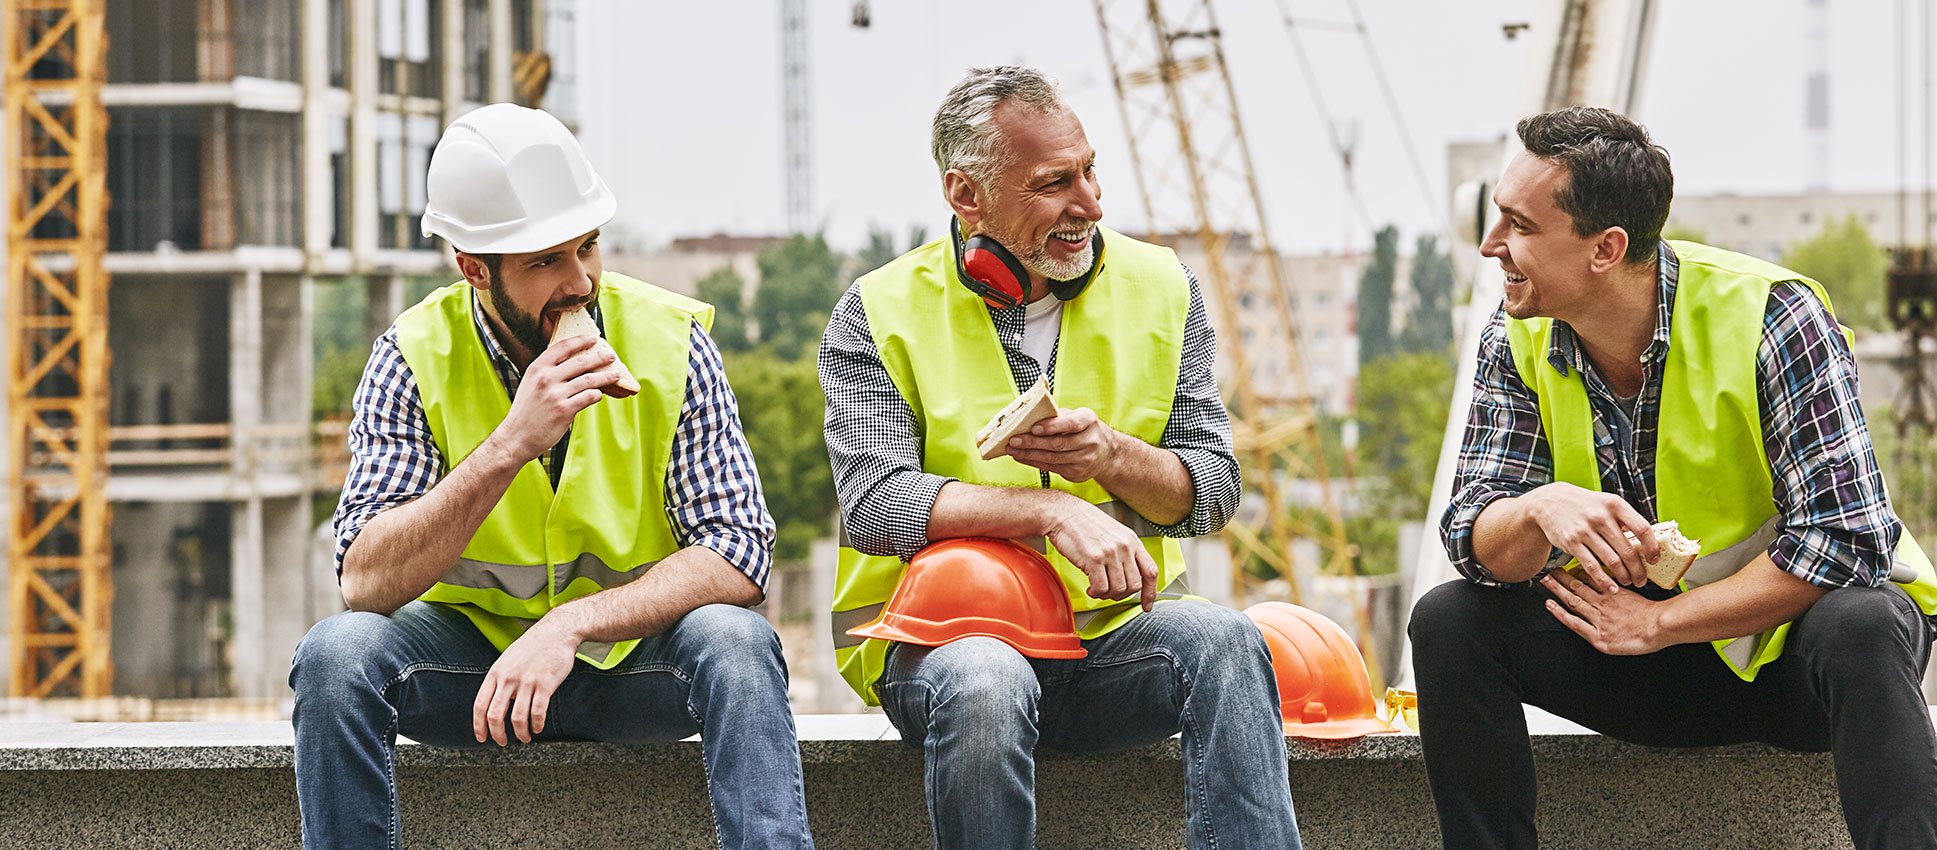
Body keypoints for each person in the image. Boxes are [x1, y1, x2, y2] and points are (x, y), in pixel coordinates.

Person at [1409, 105, 1937, 850]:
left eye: (1520, 226)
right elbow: (1473, 539)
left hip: (1796, 667)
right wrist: (1538, 509)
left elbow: (1843, 541)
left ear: (1606, 248)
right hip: (1647, 666)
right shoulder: (1517, 335)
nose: (1489, 244)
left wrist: (1658, 623)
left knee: (1861, 620)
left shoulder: (1771, 314)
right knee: (1449, 621)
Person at [289, 104, 813, 850]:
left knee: (737, 641)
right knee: (334, 657)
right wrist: (510, 444)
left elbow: (740, 550)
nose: (581, 284)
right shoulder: (410, 355)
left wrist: (570, 626)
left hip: (632, 665)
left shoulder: (671, 341)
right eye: (544, 262)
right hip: (474, 674)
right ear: (475, 268)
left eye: (588, 248)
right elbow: (365, 583)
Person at [819, 66, 1302, 850]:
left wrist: (1112, 457)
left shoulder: (1163, 287)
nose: (1091, 204)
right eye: (1054, 184)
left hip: (1109, 639)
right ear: (965, 195)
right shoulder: (877, 311)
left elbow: (1212, 490)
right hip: (943, 646)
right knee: (987, 680)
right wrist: (1050, 508)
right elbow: (876, 504)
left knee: (1228, 642)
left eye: (1090, 170)